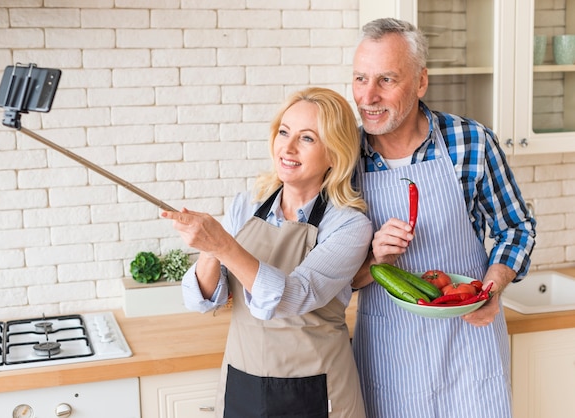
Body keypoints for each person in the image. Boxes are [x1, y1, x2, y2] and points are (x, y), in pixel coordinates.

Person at [349, 18, 536, 418]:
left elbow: (516, 228)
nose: (368, 96)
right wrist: (375, 262)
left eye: (386, 80)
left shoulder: (471, 142)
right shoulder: (344, 159)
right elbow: (329, 274)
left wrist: (492, 288)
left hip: (471, 345)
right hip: (390, 357)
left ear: (420, 82)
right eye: (360, 78)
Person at [162, 87, 373, 418]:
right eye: (284, 132)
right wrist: (208, 248)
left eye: (307, 138)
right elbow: (203, 299)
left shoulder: (348, 225)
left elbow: (292, 298)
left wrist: (222, 244)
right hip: (243, 380)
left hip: (318, 389)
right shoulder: (246, 204)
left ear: (334, 153)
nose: (287, 148)